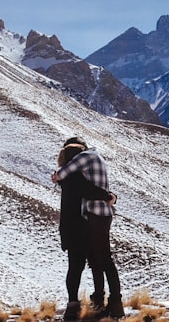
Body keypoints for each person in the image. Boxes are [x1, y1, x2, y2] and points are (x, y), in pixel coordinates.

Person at [52, 136, 123, 319]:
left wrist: (108, 196)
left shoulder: (72, 174)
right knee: (99, 261)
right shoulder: (83, 169)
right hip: (84, 222)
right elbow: (89, 189)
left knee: (80, 265)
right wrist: (109, 197)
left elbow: (84, 188)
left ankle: (76, 306)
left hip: (75, 224)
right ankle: (106, 303)